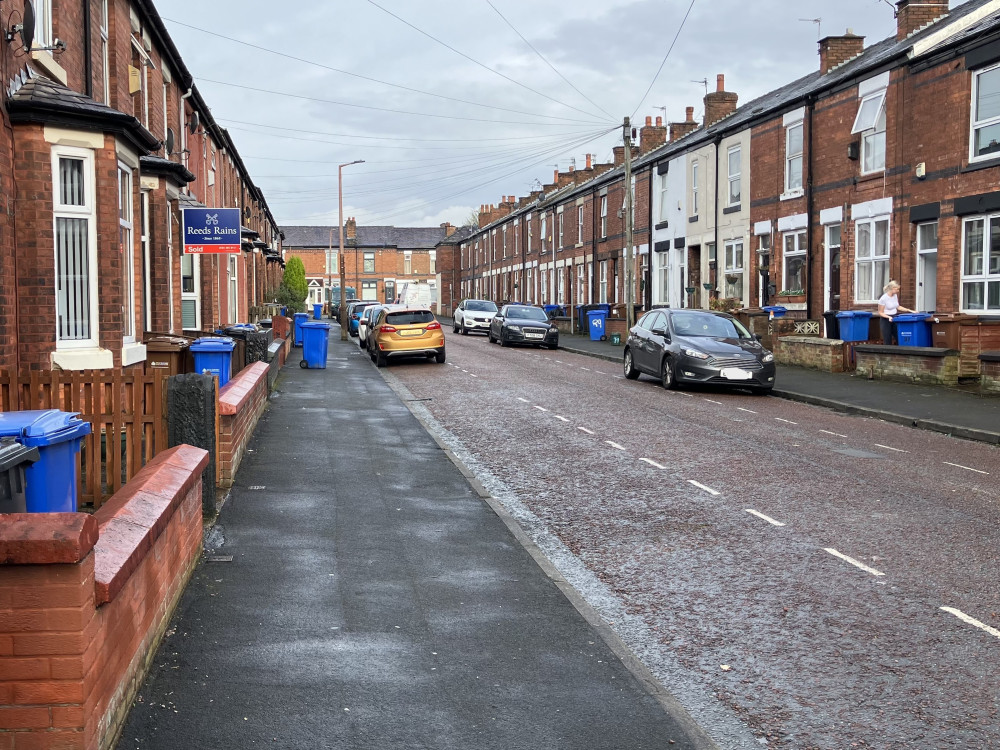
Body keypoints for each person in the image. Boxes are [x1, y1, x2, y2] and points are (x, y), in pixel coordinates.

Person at [877, 280, 915, 345]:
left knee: (898, 336)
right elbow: (880, 312)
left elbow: (898, 307)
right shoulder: (883, 298)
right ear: (892, 288)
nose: (898, 291)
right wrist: (888, 317)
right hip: (886, 319)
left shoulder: (895, 296)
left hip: (894, 317)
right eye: (897, 289)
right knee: (887, 339)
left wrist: (910, 310)